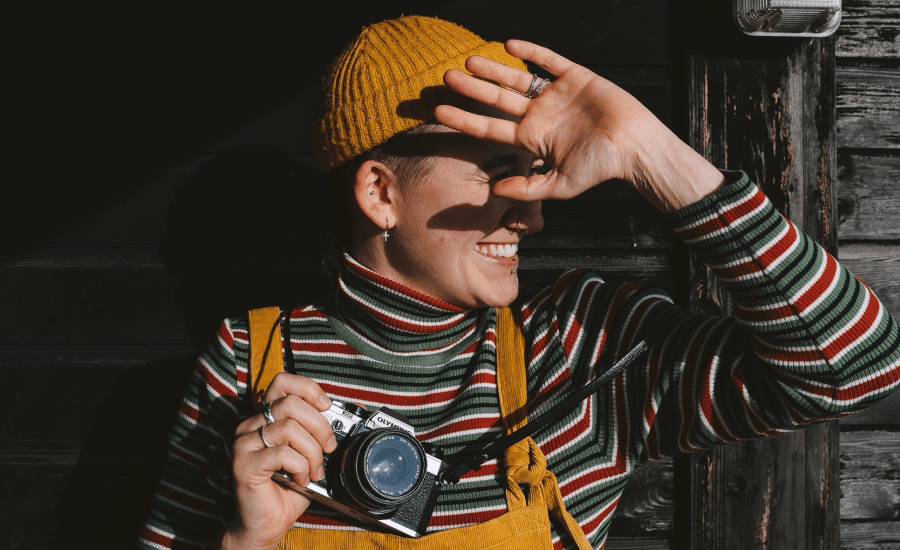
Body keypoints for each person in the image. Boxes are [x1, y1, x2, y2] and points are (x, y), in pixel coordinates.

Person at [139, 15, 900, 550]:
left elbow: (853, 365)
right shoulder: (252, 360)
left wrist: (650, 154)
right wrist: (248, 540)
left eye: (533, 176)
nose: (529, 219)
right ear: (380, 192)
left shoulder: (580, 345)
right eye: (501, 177)